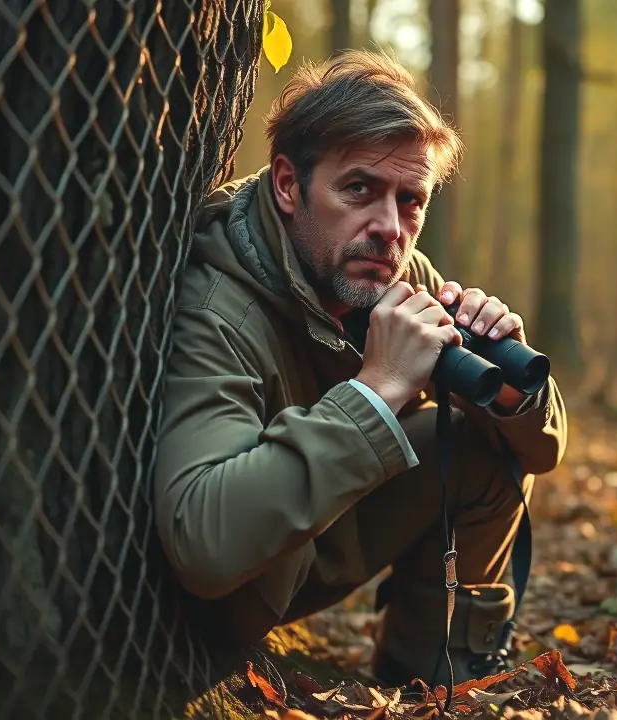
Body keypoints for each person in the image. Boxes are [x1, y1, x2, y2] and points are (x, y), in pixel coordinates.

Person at [151, 49, 567, 688]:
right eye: (359, 190)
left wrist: (511, 392)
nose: (390, 229)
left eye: (411, 201)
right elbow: (203, 543)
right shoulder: (219, 307)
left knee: (479, 441)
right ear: (289, 186)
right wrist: (377, 391)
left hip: (327, 534)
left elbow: (542, 452)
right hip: (242, 584)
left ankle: (435, 673)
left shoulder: (392, 271)